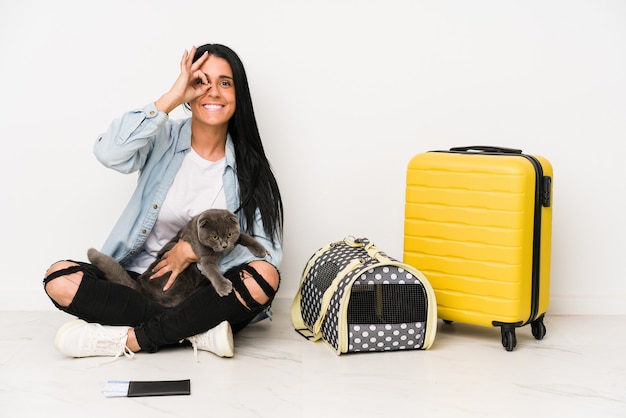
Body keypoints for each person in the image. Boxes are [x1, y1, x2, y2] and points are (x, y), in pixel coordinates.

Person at [43, 43, 283, 359]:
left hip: (205, 293)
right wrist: (170, 99)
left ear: (239, 95)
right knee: (59, 278)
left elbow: (269, 258)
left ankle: (133, 339)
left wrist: (193, 252)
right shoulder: (162, 138)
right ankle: (195, 332)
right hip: (141, 284)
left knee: (264, 278)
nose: (213, 92)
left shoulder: (251, 167)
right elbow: (108, 152)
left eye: (225, 83)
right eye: (201, 81)